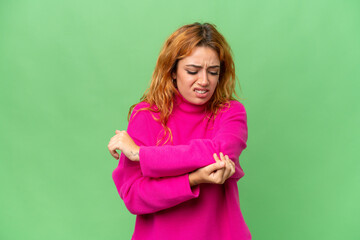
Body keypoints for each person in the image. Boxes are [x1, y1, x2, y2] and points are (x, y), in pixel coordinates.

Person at [108, 22, 251, 240]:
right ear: (172, 71)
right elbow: (134, 196)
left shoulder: (231, 113)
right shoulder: (146, 115)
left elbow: (220, 152)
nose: (204, 81)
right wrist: (193, 179)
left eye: (213, 72)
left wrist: (141, 154)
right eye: (192, 71)